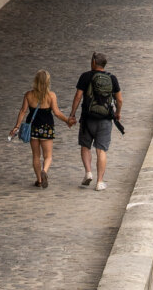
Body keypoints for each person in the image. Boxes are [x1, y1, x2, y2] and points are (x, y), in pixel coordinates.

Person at [67, 52, 123, 192]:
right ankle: (99, 182)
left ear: (93, 62)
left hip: (87, 118)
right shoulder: (112, 78)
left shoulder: (85, 76)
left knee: (85, 146)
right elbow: (120, 100)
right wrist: (117, 113)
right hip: (105, 119)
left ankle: (88, 172)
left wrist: (72, 114)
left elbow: (78, 96)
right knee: (101, 150)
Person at [10, 70, 70, 187]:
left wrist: (17, 126)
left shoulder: (29, 95)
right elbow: (57, 113)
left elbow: (22, 111)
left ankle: (39, 180)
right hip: (47, 128)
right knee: (48, 156)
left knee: (36, 155)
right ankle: (44, 171)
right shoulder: (51, 96)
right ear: (47, 82)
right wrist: (67, 121)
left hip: (33, 128)